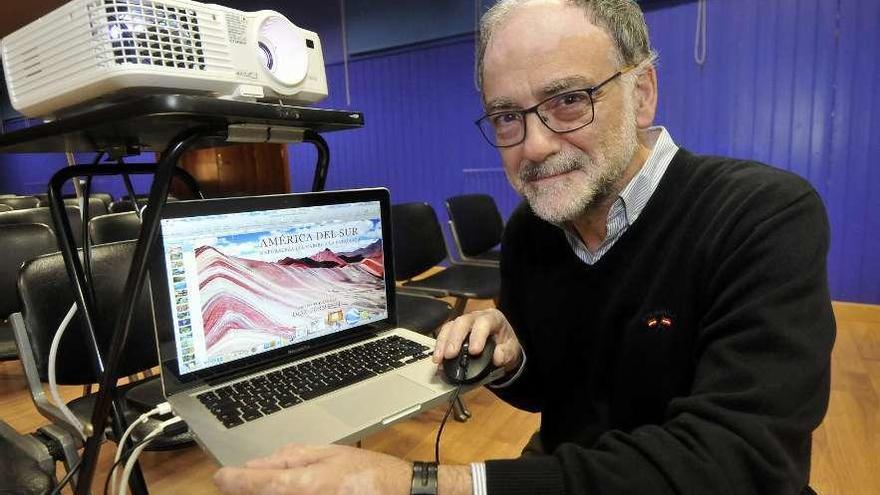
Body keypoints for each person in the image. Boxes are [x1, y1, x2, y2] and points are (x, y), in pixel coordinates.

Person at [213, 0, 835, 493]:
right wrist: (512, 359)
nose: (533, 146)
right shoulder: (532, 232)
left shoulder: (761, 215)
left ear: (642, 92)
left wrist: (423, 484)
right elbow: (550, 396)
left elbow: (741, 465)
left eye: (568, 100)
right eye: (507, 116)